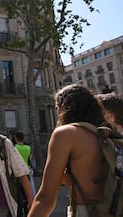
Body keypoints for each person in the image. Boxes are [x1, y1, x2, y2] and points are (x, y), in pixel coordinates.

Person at [28, 84, 107, 217]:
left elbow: (45, 199)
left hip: (87, 211)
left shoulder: (65, 134)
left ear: (64, 109)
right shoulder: (107, 134)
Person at [14, 132, 36, 215]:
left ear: (16, 138)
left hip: (18, 172)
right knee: (27, 193)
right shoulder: (28, 148)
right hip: (26, 171)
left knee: (18, 195)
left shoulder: (15, 148)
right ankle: (28, 211)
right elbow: (30, 158)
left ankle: (20, 212)